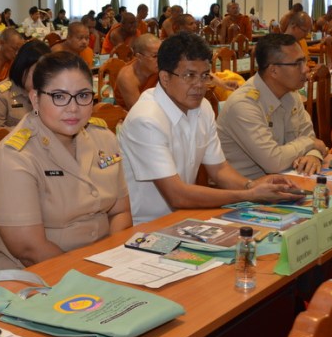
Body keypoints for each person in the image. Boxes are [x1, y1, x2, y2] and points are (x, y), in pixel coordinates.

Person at [117, 32, 299, 225]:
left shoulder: (202, 107)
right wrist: (249, 194)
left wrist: (253, 185)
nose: (199, 85)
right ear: (165, 77)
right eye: (189, 76)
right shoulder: (146, 119)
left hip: (184, 218)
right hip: (146, 226)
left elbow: (219, 169)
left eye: (204, 75)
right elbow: (177, 195)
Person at [0, 52, 132, 270]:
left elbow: (120, 211)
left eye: (83, 96)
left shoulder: (104, 138)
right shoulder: (14, 157)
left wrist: (114, 259)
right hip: (35, 277)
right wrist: (89, 273)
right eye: (59, 97)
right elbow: (29, 250)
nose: (73, 108)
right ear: (35, 99)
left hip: (103, 264)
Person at [217, 34, 327, 179]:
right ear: (274, 70)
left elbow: (309, 137)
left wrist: (313, 155)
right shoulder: (243, 105)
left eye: (304, 61)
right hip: (246, 191)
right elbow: (274, 162)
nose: (306, 69)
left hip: (287, 181)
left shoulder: (290, 94)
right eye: (297, 64)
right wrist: (311, 143)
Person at [0, 40, 50, 128]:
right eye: (37, 72)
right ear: (22, 68)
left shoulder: (50, 91)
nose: (41, 78)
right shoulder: (1, 95)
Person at [113, 34, 160, 110]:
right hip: (127, 116)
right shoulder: (127, 77)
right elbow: (138, 111)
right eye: (155, 56)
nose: (160, 59)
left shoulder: (162, 68)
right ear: (139, 57)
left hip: (155, 109)